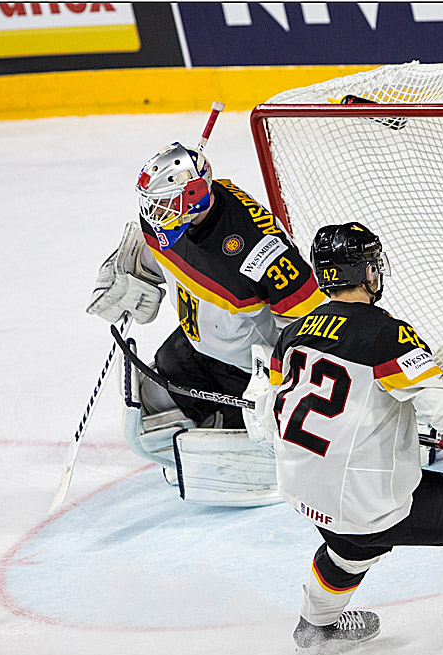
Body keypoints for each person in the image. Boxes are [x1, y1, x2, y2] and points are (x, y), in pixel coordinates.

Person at [261, 222, 443, 655]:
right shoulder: (383, 333)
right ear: (364, 271)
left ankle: (316, 628)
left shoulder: (290, 334)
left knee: (351, 545)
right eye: (372, 263)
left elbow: (271, 419)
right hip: (365, 499)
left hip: (303, 489)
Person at [86, 140, 326, 480]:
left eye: (165, 204)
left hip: (244, 367)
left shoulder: (262, 253)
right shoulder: (168, 220)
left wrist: (282, 378)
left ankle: (232, 424)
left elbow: (311, 322)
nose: (155, 214)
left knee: (238, 431)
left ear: (196, 195)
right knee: (165, 372)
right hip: (198, 338)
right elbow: (157, 248)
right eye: (153, 204)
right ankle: (209, 413)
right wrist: (135, 267)